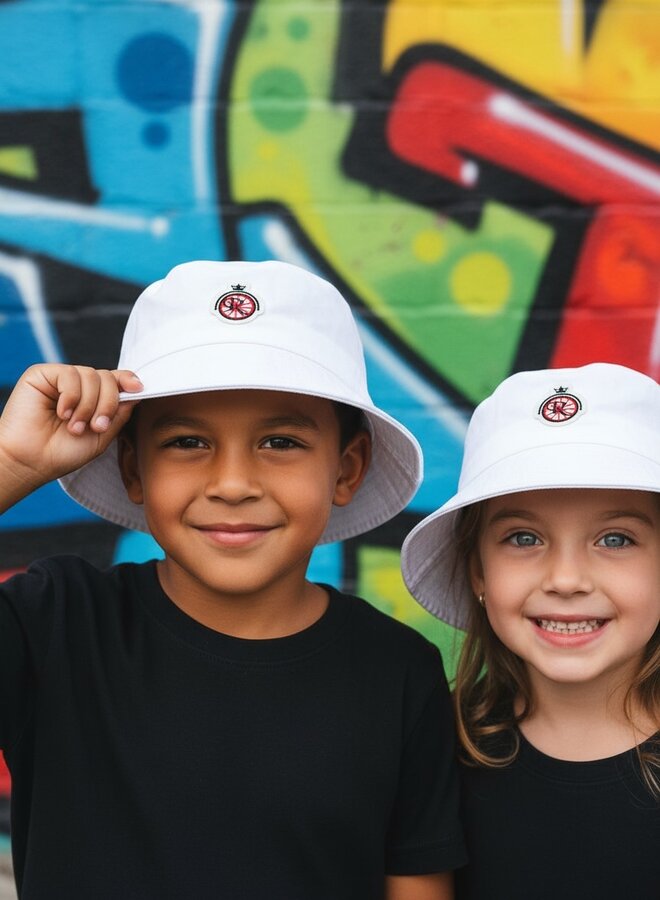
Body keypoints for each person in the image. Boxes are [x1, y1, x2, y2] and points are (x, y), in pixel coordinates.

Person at [0, 260, 466, 900]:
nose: (233, 484)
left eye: (280, 442)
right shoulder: (53, 624)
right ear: (133, 469)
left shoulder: (398, 670)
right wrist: (11, 461)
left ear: (347, 469)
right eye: (187, 442)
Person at [401, 363, 660, 900]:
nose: (565, 580)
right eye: (524, 538)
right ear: (477, 573)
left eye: (615, 539)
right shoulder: (429, 751)